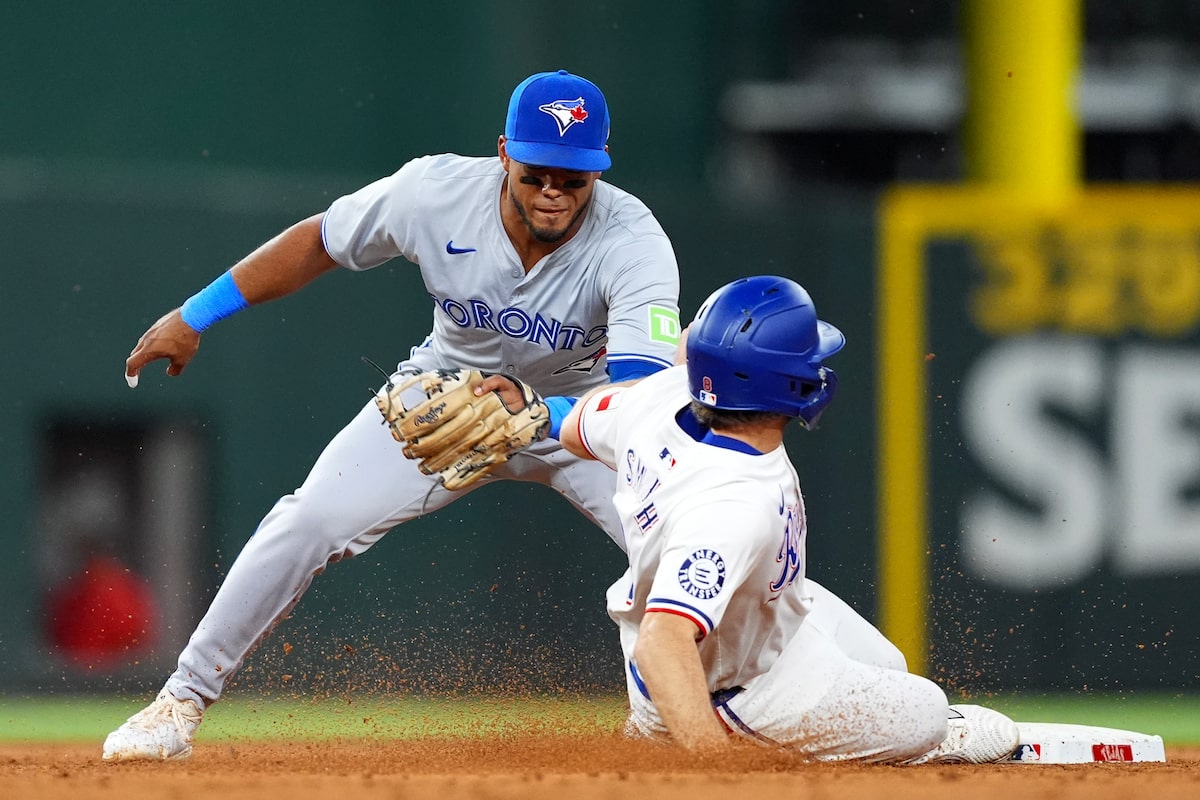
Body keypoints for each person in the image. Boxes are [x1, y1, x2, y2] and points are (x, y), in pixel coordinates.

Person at [103, 69, 684, 761]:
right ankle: (179, 702)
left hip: (582, 414)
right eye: (537, 174)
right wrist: (195, 315)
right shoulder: (434, 193)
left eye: (574, 177)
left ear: (599, 170)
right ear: (504, 152)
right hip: (446, 396)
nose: (554, 191)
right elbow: (321, 239)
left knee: (688, 544)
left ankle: (704, 714)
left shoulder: (633, 239)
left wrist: (544, 411)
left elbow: (642, 394)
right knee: (308, 518)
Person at [547, 275, 1020, 761]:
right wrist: (715, 773)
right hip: (722, 691)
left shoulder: (658, 396)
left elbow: (575, 428)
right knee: (927, 713)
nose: (818, 367)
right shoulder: (732, 504)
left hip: (757, 625)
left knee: (888, 665)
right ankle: (673, 736)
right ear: (786, 384)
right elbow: (662, 645)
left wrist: (532, 410)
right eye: (809, 360)